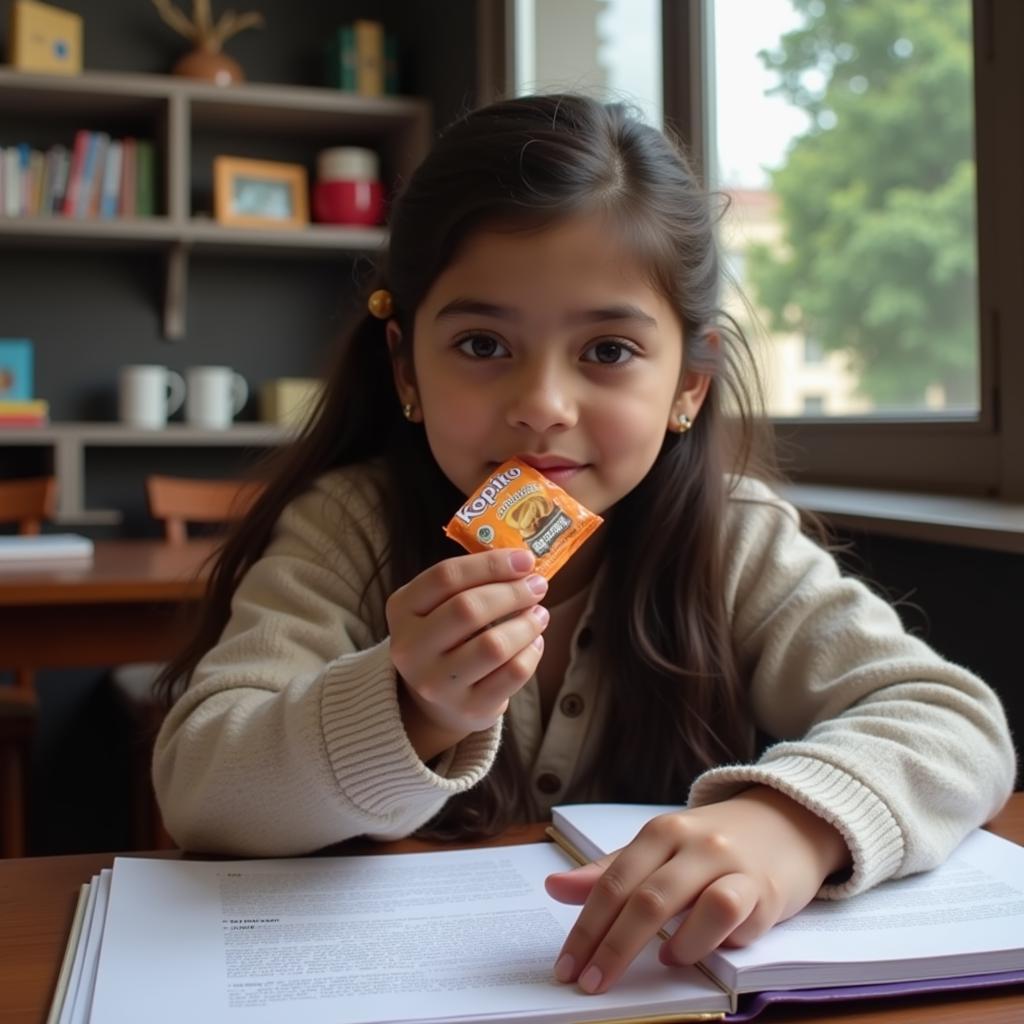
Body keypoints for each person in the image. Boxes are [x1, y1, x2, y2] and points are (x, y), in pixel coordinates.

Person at [152, 93, 1015, 996]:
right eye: (484, 343)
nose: (544, 406)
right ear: (407, 368)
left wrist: (791, 826)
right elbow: (202, 790)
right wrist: (410, 708)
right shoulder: (350, 527)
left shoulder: (733, 536)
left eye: (607, 351)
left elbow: (953, 722)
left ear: (689, 382)